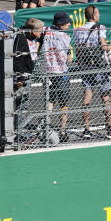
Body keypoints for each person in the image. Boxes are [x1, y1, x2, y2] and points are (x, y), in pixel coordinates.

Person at [73, 4, 111, 139]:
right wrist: (109, 46)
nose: (99, 15)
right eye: (98, 13)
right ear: (94, 16)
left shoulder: (78, 30)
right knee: (105, 97)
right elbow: (103, 44)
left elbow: (78, 49)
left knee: (87, 96)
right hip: (99, 66)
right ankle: (110, 128)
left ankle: (86, 129)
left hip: (85, 66)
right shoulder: (100, 28)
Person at [43, 11, 73, 141]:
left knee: (50, 101)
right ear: (61, 24)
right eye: (67, 23)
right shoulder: (65, 36)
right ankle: (63, 131)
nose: (69, 25)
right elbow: (69, 58)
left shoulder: (45, 31)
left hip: (48, 71)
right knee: (63, 103)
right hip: (61, 72)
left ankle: (47, 129)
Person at [13, 18, 44, 90]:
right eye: (40, 30)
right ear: (33, 31)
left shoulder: (32, 37)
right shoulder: (21, 38)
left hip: (27, 73)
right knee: (19, 97)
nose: (42, 32)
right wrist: (19, 78)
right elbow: (17, 58)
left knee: (25, 97)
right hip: (21, 76)